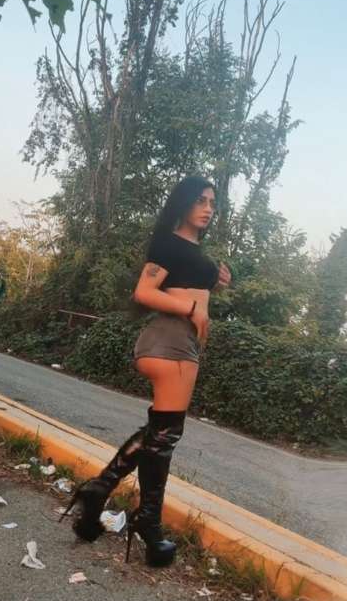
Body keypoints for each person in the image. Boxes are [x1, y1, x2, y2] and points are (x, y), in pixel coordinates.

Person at [60, 175, 232, 567]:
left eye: (212, 202)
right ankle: (148, 523)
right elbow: (145, 291)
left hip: (180, 345)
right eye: (200, 200)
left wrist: (218, 281)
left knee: (160, 433)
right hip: (170, 343)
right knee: (166, 436)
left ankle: (99, 493)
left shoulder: (192, 249)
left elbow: (189, 286)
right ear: (183, 203)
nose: (208, 208)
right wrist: (192, 308)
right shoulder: (168, 242)